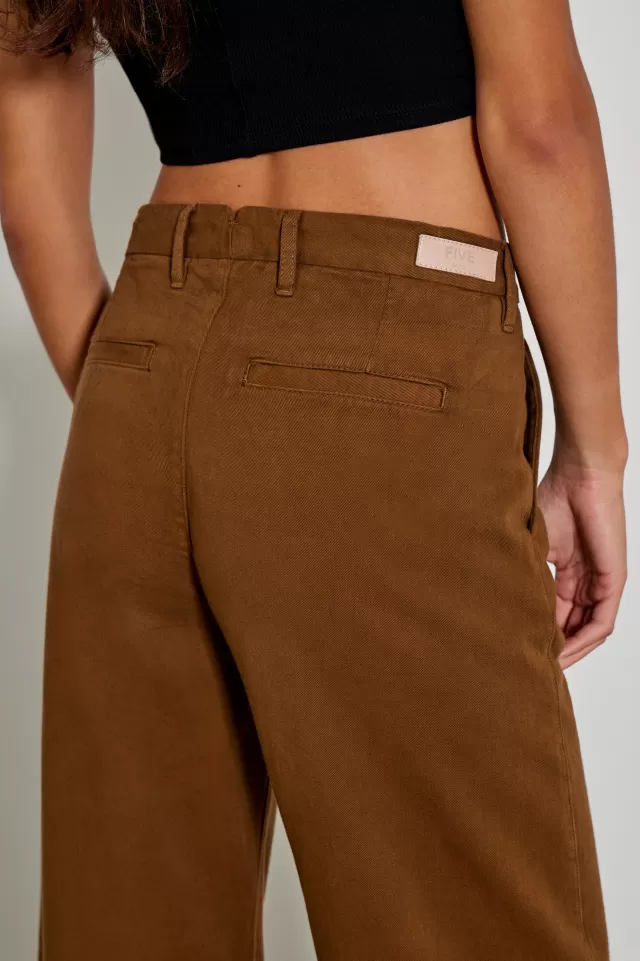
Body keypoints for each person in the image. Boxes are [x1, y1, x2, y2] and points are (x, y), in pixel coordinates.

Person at [0, 1, 628, 959]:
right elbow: (541, 122)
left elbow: (26, 161)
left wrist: (146, 389)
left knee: (130, 926)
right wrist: (594, 449)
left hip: (142, 364)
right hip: (386, 351)